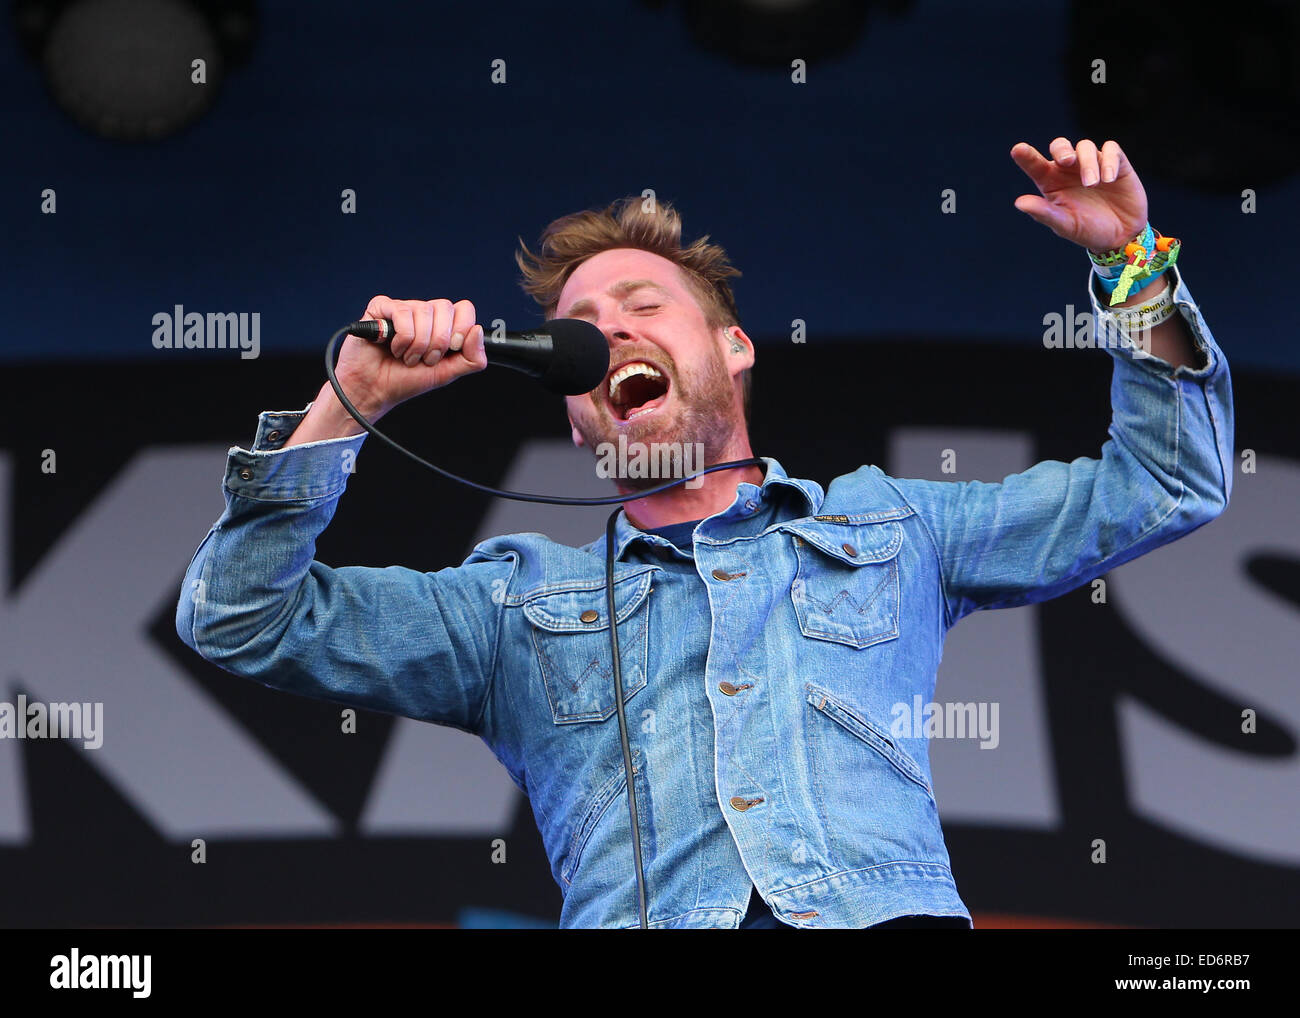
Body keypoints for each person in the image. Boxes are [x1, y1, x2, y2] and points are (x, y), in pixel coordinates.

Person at [176, 137, 1233, 929]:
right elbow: (239, 616)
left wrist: (1134, 265)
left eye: (642, 302)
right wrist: (346, 404)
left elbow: (1169, 481)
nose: (611, 332)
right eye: (584, 332)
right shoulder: (509, 606)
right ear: (575, 406)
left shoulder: (893, 527)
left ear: (732, 348)